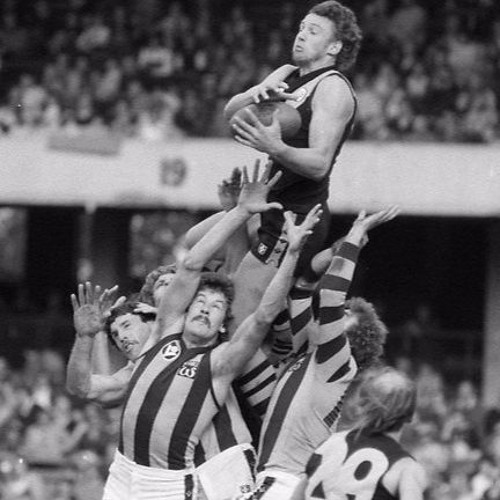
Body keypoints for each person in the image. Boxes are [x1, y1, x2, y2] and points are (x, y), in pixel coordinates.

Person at [66, 163, 322, 500]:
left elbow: (244, 298)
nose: (170, 289)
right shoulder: (149, 353)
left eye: (172, 284)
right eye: (161, 285)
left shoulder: (220, 347)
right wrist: (86, 337)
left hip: (217, 463)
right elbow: (83, 388)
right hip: (133, 471)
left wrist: (242, 214)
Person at [225, 0, 363, 333]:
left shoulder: (331, 87)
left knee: (237, 319)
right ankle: (281, 332)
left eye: (313, 31)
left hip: (295, 217)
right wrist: (256, 93)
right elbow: (231, 113)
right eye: (301, 28)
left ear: (334, 47)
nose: (301, 35)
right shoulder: (286, 74)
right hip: (268, 206)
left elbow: (319, 164)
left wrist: (276, 147)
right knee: (196, 242)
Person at [249, 207, 399, 499]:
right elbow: (303, 286)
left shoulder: (337, 362)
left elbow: (331, 294)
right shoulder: (310, 352)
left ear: (351, 339)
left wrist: (356, 233)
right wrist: (338, 248)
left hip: (285, 484)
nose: (332, 315)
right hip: (274, 481)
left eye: (344, 316)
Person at [291, 366, 427, 500]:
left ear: (362, 405)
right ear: (410, 415)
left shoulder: (330, 444)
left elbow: (297, 497)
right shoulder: (405, 468)